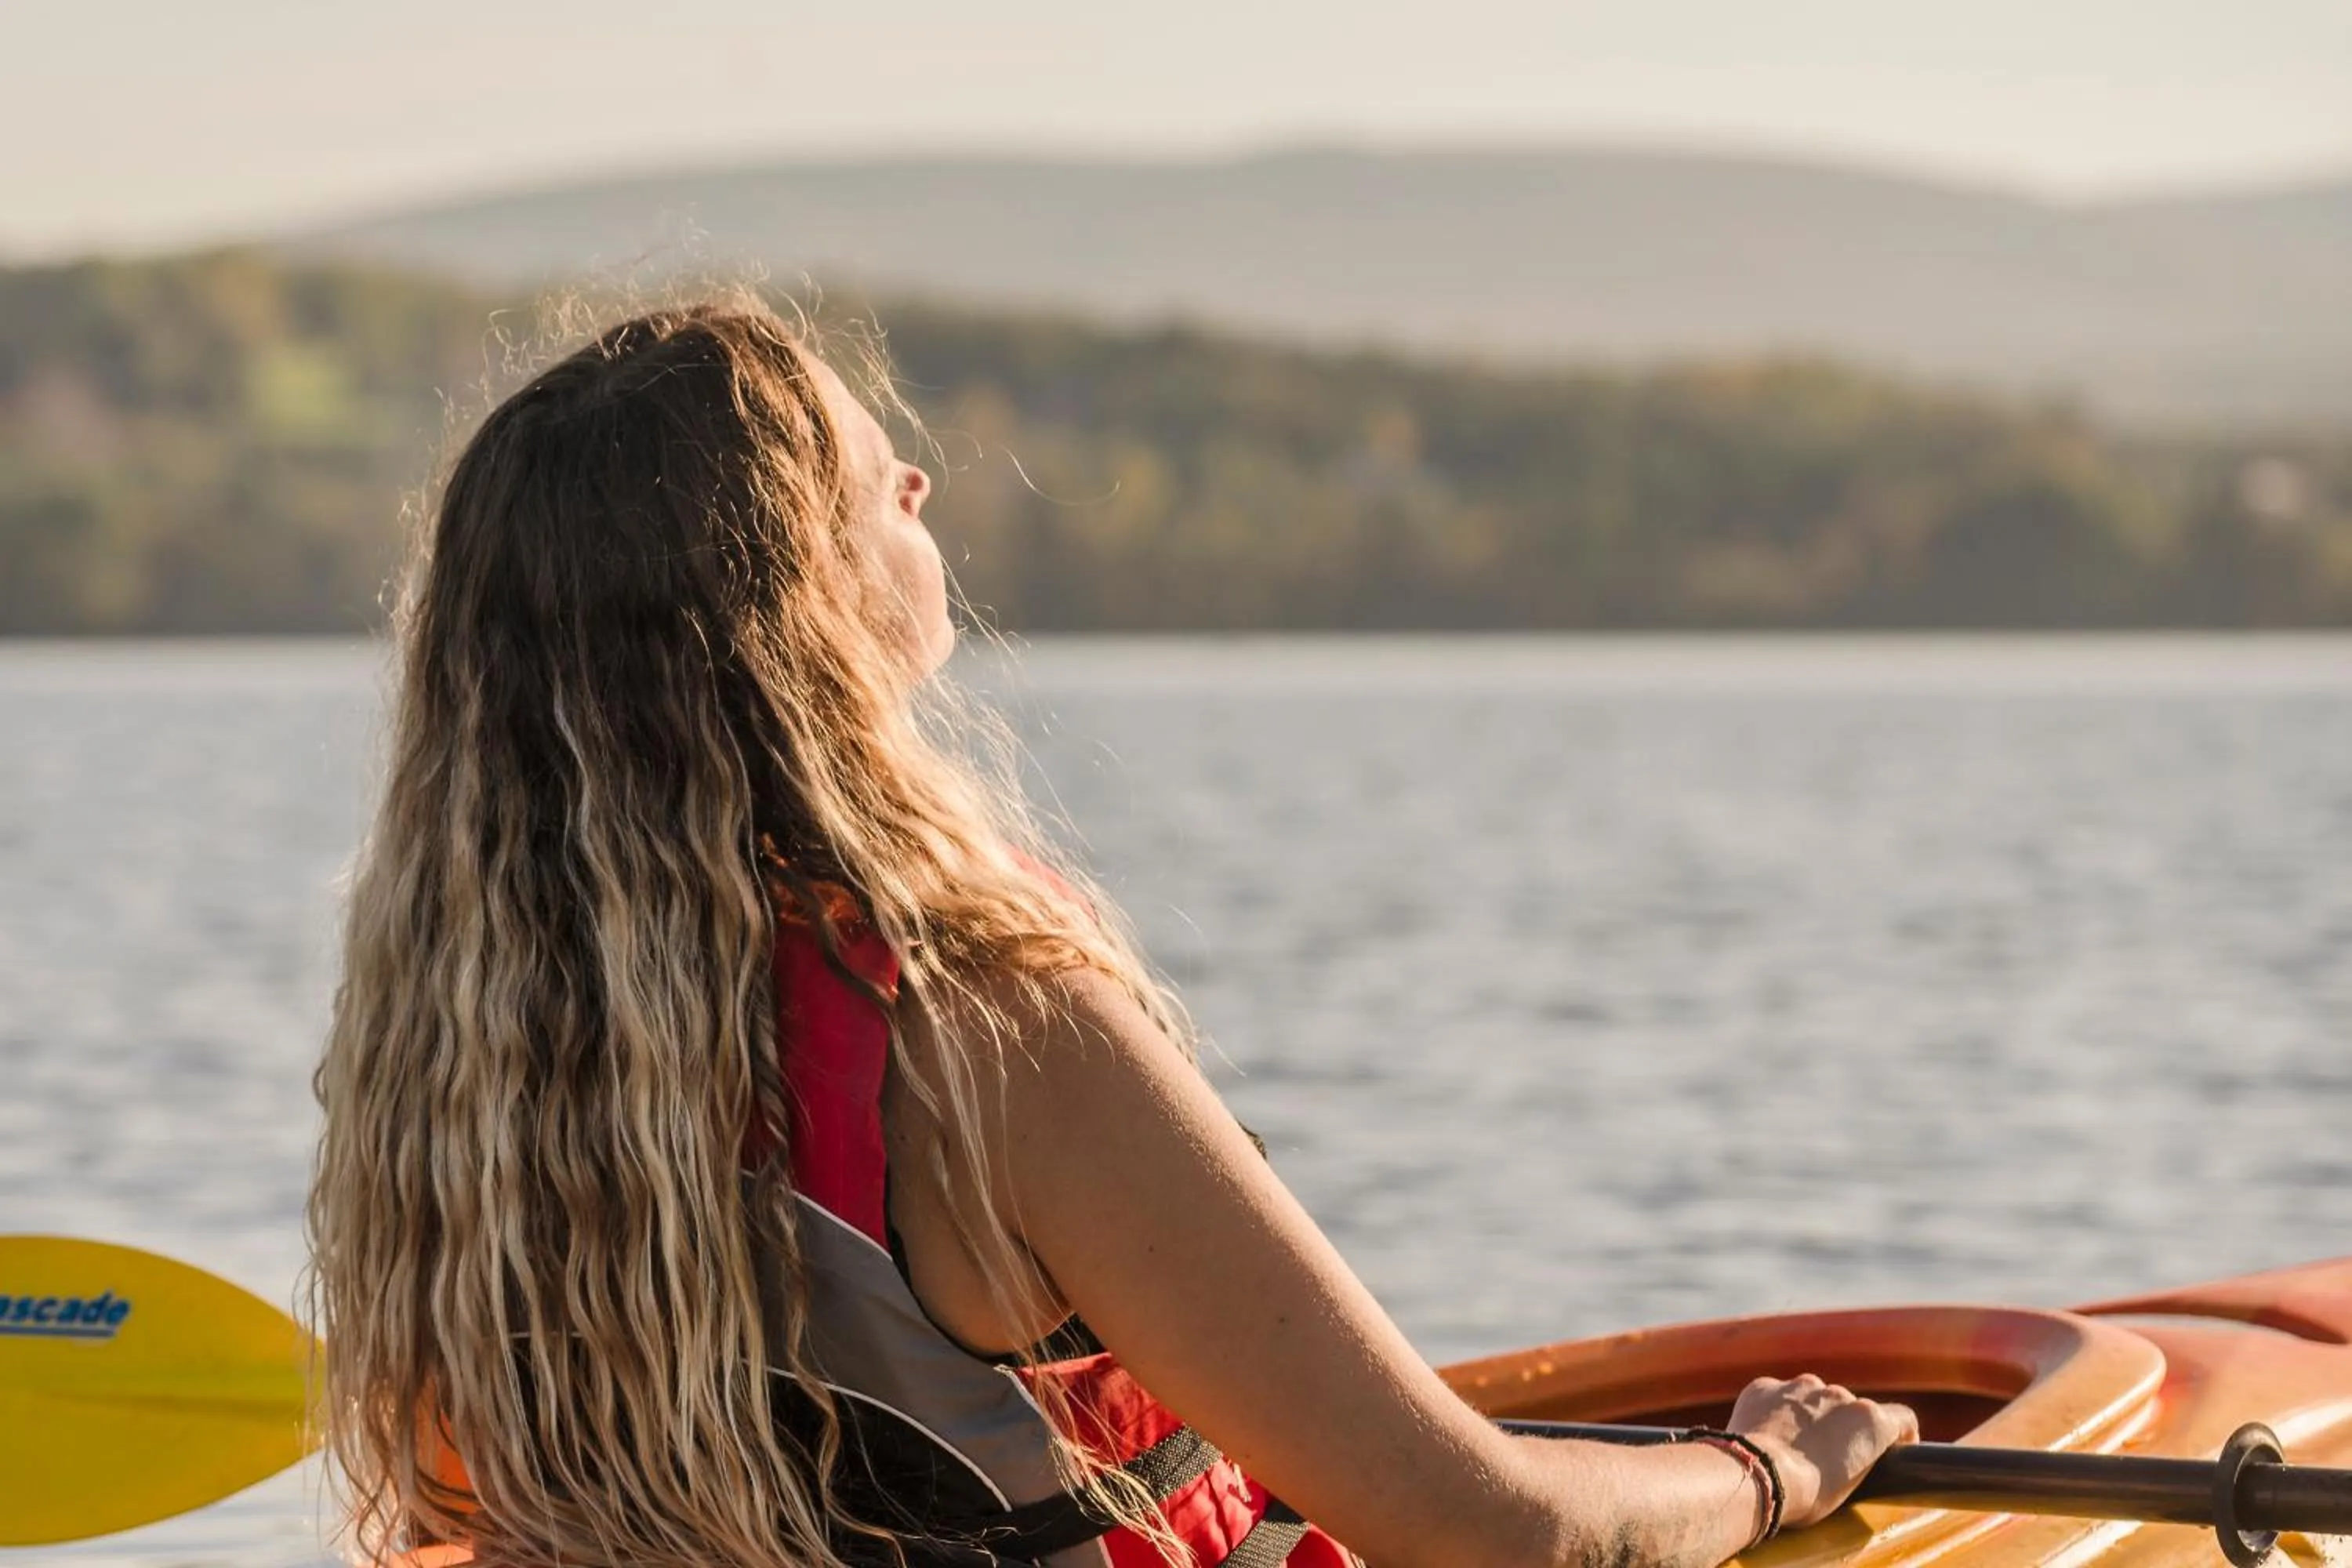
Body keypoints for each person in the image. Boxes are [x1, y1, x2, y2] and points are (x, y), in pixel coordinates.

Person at [307, 296, 1917, 1568]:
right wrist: (1769, 1470)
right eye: (880, 482)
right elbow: (1487, 1532)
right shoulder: (983, 1031)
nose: (922, 482)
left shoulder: (452, 1064)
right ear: (799, 593)